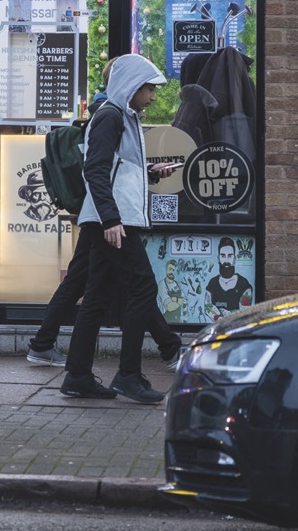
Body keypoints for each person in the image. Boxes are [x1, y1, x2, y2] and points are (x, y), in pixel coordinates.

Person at [28, 57, 183, 370]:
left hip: (104, 214)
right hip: (108, 216)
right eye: (149, 89)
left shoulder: (122, 115)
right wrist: (111, 218)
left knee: (94, 290)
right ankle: (153, 358)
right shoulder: (111, 115)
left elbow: (116, 168)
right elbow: (97, 168)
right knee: (135, 287)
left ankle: (71, 367)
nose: (153, 97)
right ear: (129, 84)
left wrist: (150, 173)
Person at [206, 237, 254, 318]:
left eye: (230, 256)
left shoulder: (244, 284)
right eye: (223, 256)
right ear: (218, 259)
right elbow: (207, 306)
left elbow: (245, 313)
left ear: (234, 259)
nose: (226, 260)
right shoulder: (212, 283)